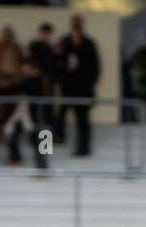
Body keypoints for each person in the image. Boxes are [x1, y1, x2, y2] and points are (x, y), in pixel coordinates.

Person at [57, 16, 100, 156]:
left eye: (78, 24)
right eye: (74, 24)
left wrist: (90, 83)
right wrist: (65, 69)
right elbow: (57, 61)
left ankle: (83, 148)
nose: (76, 27)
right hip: (68, 87)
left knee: (82, 119)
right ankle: (57, 138)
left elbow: (95, 66)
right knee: (60, 114)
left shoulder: (88, 43)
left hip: (83, 88)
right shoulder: (65, 41)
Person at [3, 60, 49, 168]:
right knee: (13, 132)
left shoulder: (35, 80)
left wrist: (4, 90)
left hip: (38, 116)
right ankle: (15, 158)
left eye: (25, 68)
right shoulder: (31, 80)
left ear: (32, 68)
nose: (23, 70)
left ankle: (43, 167)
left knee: (41, 141)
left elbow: (20, 87)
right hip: (28, 117)